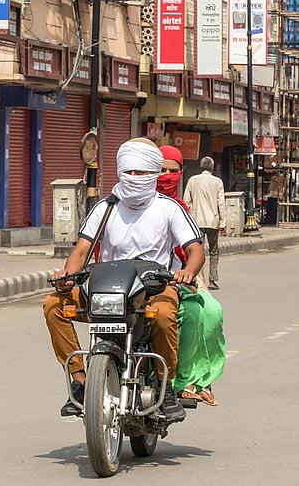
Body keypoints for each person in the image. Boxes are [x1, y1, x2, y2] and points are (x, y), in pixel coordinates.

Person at [44, 138, 205, 421]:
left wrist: (188, 271)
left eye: (141, 173)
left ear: (154, 173)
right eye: (128, 172)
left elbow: (195, 249)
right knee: (53, 305)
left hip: (154, 288)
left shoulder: (168, 208)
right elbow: (81, 250)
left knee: (166, 314)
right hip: (108, 288)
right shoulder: (105, 208)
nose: (133, 178)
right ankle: (80, 380)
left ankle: (166, 386)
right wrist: (67, 276)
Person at [157, 146, 225, 407]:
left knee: (210, 311)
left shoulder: (180, 209)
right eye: (161, 170)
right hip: (139, 278)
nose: (167, 176)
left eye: (173, 171)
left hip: (181, 270)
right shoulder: (131, 205)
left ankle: (193, 379)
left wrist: (199, 282)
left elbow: (191, 255)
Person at [183, 156, 226, 290]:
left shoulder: (192, 180)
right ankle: (213, 280)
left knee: (198, 251)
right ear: (212, 168)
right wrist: (223, 222)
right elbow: (221, 203)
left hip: (196, 222)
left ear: (201, 167)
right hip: (213, 221)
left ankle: (199, 279)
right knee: (214, 251)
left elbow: (186, 202)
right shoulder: (217, 181)